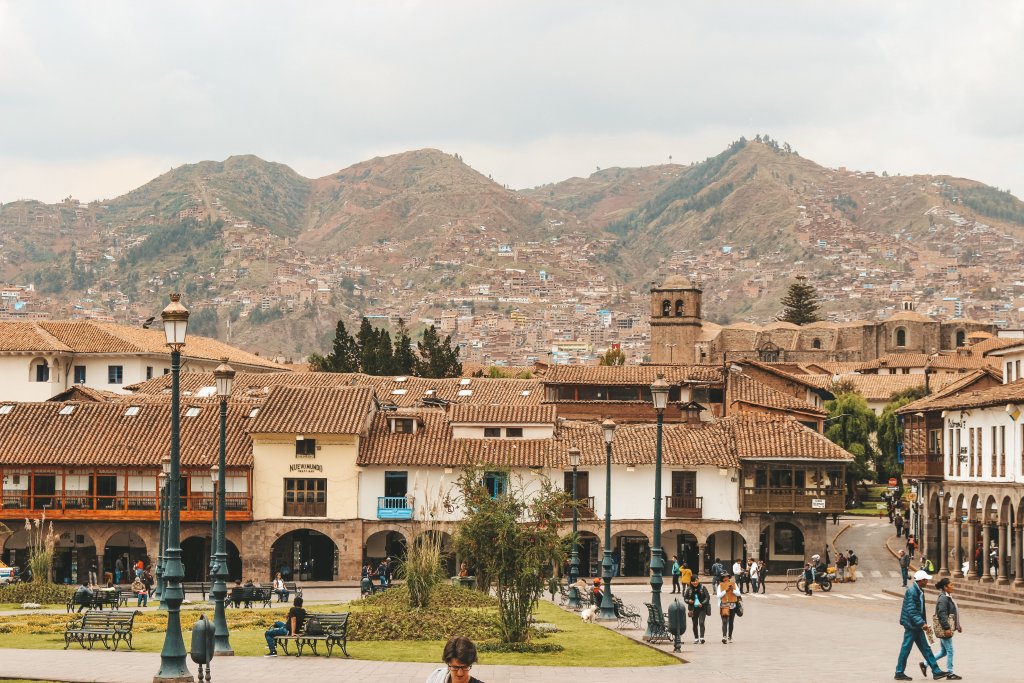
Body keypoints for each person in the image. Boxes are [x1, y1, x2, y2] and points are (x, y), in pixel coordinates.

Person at [893, 569, 946, 680]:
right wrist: (922, 623)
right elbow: (912, 610)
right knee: (906, 649)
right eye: (926, 580)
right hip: (912, 626)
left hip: (916, 625)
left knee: (926, 648)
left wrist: (922, 623)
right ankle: (899, 672)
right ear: (921, 580)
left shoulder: (919, 590)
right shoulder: (912, 591)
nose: (927, 582)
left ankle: (936, 671)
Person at [929, 577, 962, 680]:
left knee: (944, 651)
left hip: (947, 627)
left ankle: (925, 663)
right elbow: (942, 613)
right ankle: (950, 672)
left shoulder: (947, 596)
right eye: (951, 585)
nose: (953, 587)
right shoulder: (943, 598)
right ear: (945, 587)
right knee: (950, 650)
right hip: (945, 628)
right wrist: (947, 628)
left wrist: (958, 625)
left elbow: (952, 613)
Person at [684, 574, 710, 645]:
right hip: (693, 609)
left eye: (696, 580)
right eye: (693, 581)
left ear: (698, 580)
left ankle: (702, 638)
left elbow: (707, 597)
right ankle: (696, 638)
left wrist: (702, 603)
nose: (695, 582)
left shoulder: (702, 587)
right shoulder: (689, 589)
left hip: (702, 608)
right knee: (694, 624)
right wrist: (689, 601)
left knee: (701, 622)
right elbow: (685, 598)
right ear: (691, 582)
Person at [716, 571, 741, 644]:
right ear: (722, 579)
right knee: (724, 621)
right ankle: (724, 636)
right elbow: (718, 596)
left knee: (731, 622)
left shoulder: (734, 584)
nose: (725, 578)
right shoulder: (720, 585)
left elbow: (739, 593)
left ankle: (730, 636)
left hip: (733, 606)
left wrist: (733, 590)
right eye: (724, 577)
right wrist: (725, 591)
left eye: (727, 576)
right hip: (724, 606)